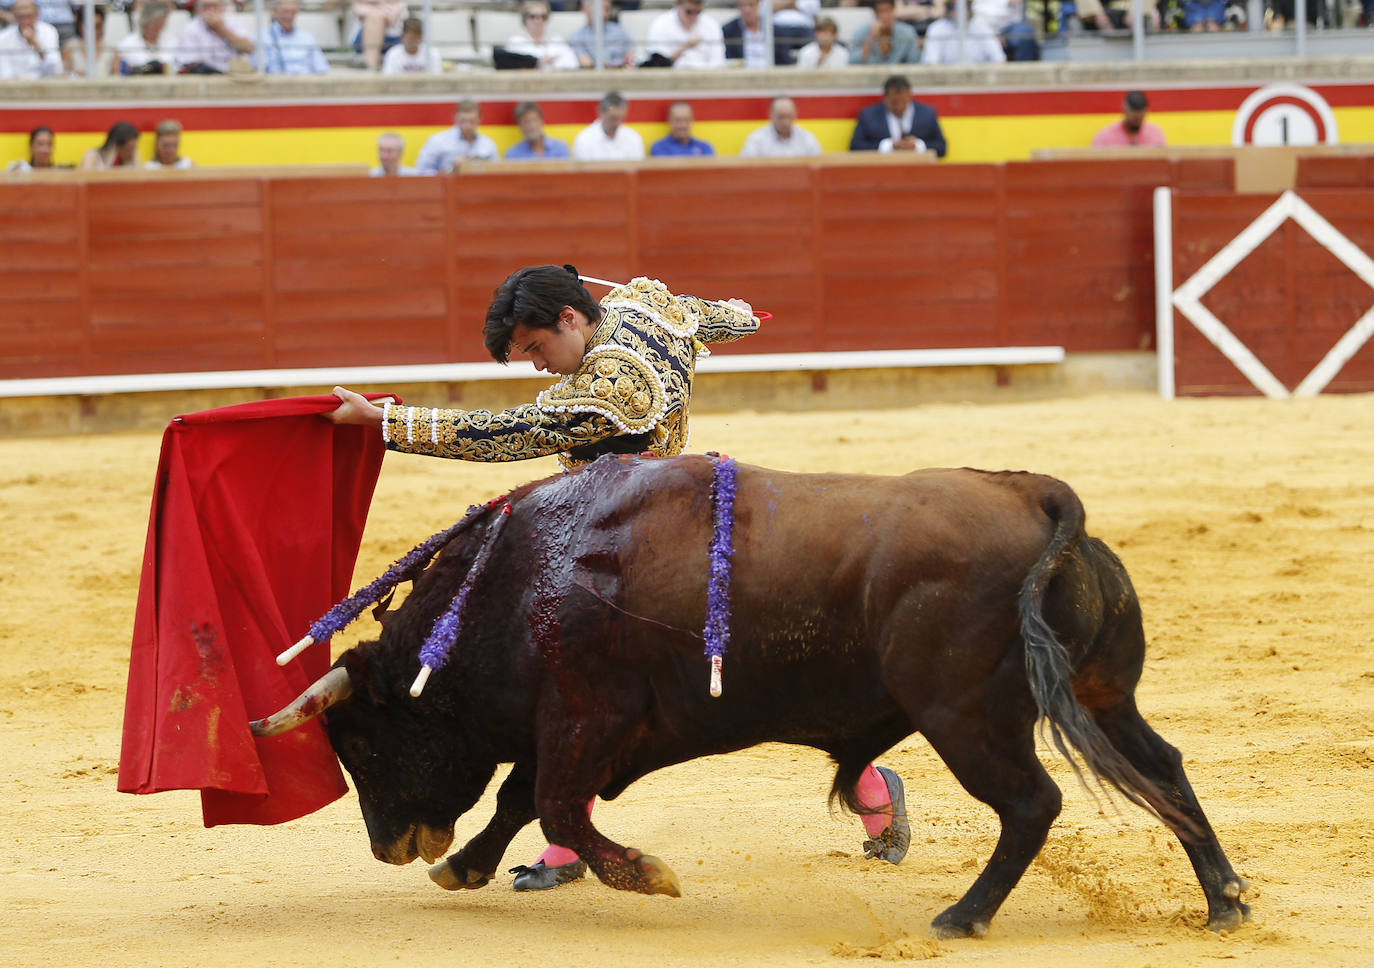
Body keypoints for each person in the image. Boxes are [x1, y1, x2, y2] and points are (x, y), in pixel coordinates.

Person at [325, 265, 912, 892]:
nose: (536, 365)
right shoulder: (642, 308)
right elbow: (709, 314)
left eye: (536, 347)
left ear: (570, 318)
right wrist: (740, 315)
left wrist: (388, 424)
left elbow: (516, 433)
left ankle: (870, 784)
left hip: (634, 546)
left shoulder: (615, 387)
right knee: (600, 688)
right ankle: (563, 845)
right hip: (656, 523)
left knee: (646, 685)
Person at [849, 74, 947, 158]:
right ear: (885, 98)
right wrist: (887, 146)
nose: (899, 107)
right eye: (894, 102)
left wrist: (918, 145)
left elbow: (942, 148)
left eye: (903, 102)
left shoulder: (927, 114)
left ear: (910, 96)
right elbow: (855, 147)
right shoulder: (868, 115)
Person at [415, 99, 501, 174]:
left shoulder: (488, 144)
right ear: (455, 118)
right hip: (446, 187)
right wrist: (451, 169)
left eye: (472, 121)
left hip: (480, 186)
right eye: (463, 120)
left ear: (479, 119)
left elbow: (497, 172)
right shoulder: (437, 141)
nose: (467, 126)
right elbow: (421, 172)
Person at [174, 0, 254, 75]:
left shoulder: (234, 24)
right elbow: (188, 62)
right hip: (204, 78)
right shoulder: (190, 29)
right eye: (206, 7)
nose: (211, 10)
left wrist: (220, 28)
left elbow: (249, 48)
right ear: (198, 8)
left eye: (215, 6)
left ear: (222, 7)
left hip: (234, 76)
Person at [722, 0, 811, 66]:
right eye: (742, 5)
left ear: (758, 5)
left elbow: (784, 62)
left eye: (751, 5)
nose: (747, 10)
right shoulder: (728, 31)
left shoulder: (776, 31)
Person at [643, 0, 725, 69]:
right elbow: (657, 64)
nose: (694, 16)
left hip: (705, 77)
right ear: (677, 5)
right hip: (670, 78)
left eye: (698, 12)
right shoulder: (661, 24)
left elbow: (718, 62)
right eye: (689, 12)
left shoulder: (711, 24)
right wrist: (685, 46)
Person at [920, 0, 1005, 64]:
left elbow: (999, 59)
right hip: (946, 79)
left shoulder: (982, 26)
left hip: (979, 77)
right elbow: (931, 63)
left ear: (969, 7)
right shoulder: (936, 28)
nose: (958, 11)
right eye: (953, 7)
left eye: (964, 6)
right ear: (947, 8)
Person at [502, 0, 579, 70]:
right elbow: (512, 65)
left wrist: (541, 63)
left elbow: (573, 64)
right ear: (525, 19)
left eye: (543, 16)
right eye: (532, 16)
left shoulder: (557, 40)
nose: (538, 21)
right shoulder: (516, 41)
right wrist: (541, 62)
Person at [571, 90, 645, 161]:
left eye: (620, 118)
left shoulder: (633, 138)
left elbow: (637, 167)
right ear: (600, 112)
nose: (616, 124)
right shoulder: (584, 139)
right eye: (613, 118)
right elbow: (584, 169)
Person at [260, 0, 330, 75]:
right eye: (285, 11)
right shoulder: (262, 37)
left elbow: (322, 68)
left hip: (305, 80)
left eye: (293, 12)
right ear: (274, 12)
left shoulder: (307, 38)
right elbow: (258, 69)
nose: (289, 16)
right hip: (276, 80)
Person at [739, 95, 822, 158]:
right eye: (781, 117)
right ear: (770, 115)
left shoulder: (807, 139)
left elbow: (818, 167)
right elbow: (745, 169)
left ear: (795, 115)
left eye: (789, 116)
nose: (785, 122)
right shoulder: (756, 140)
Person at [0, 0, 62, 80]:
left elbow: (55, 68)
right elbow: (5, 72)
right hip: (15, 84)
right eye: (21, 17)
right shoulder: (4, 36)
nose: (25, 21)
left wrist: (35, 44)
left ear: (37, 15)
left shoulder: (49, 31)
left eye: (29, 16)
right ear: (14, 17)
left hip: (44, 83)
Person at [567, 0, 636, 68]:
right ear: (585, 9)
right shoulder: (576, 37)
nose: (604, 13)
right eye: (599, 9)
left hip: (623, 72)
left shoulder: (620, 31)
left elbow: (631, 55)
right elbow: (586, 64)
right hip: (595, 74)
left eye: (607, 9)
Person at [849, 0, 918, 65]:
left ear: (894, 10)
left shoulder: (907, 32)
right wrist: (871, 38)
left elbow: (914, 61)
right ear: (875, 13)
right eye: (880, 11)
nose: (884, 16)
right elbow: (852, 62)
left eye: (888, 11)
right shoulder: (860, 32)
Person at [1091, 90, 1166, 148]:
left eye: (1141, 118)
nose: (1137, 122)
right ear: (1124, 110)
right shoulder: (1105, 138)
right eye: (1134, 118)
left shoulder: (1155, 134)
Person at [115, 0, 172, 76]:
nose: (157, 27)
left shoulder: (171, 41)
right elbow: (116, 70)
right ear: (145, 22)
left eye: (161, 22)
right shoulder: (128, 43)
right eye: (155, 23)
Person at [504, 101, 571, 161]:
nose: (531, 126)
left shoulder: (561, 148)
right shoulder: (512, 154)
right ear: (519, 126)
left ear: (541, 121)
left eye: (534, 120)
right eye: (526, 122)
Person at [352, 0, 406, 71]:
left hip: (395, 39)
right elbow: (357, 9)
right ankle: (371, 68)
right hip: (362, 41)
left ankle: (371, 68)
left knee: (375, 16)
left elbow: (392, 16)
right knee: (375, 17)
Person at [63, 3, 115, 76]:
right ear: (80, 25)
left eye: (97, 26)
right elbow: (64, 74)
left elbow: (117, 76)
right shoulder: (70, 47)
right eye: (89, 26)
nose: (94, 31)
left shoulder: (111, 48)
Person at [649, 101, 715, 157]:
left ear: (692, 120)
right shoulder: (659, 147)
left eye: (686, 120)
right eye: (677, 120)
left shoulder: (705, 148)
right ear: (669, 121)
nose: (682, 125)